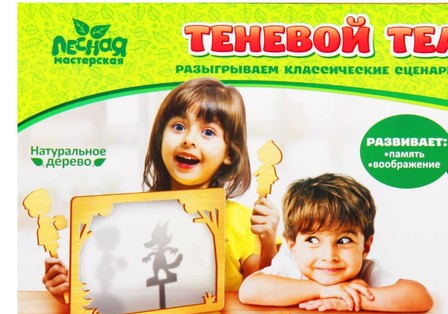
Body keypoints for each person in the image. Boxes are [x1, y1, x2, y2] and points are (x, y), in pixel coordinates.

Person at [42, 78, 280, 302]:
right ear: (159, 138)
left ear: (229, 153)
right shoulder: (129, 217)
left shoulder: (244, 221)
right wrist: (68, 291)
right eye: (178, 126)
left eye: (208, 132)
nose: (189, 139)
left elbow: (260, 291)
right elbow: (111, 292)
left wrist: (268, 242)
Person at [238, 173, 433, 312]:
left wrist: (350, 299)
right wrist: (324, 291)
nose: (329, 256)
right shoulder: (289, 265)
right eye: (313, 240)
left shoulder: (365, 270)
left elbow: (420, 296)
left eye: (344, 240)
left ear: (365, 246)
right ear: (293, 247)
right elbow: (249, 290)